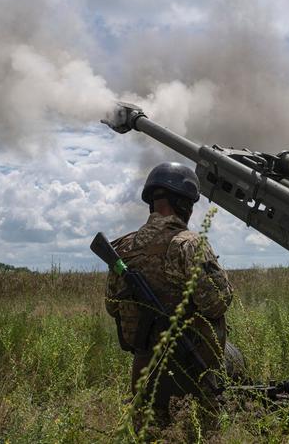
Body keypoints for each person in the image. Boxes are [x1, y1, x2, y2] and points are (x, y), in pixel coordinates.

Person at [104, 162, 233, 428]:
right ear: (184, 204)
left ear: (152, 202)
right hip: (191, 371)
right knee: (196, 433)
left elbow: (112, 307)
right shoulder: (188, 244)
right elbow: (216, 305)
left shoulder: (123, 249)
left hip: (144, 371)